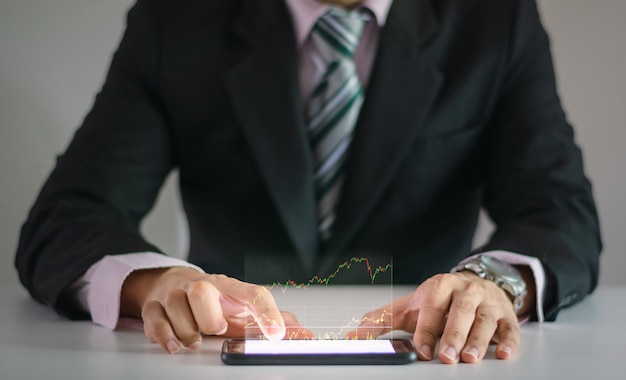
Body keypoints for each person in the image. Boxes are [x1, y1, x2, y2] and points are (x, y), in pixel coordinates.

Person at [15, 0, 601, 364]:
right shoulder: (178, 18)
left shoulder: (494, 19)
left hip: (429, 355)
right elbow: (69, 217)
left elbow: (558, 210)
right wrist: (155, 285)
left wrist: (491, 284)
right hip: (210, 354)